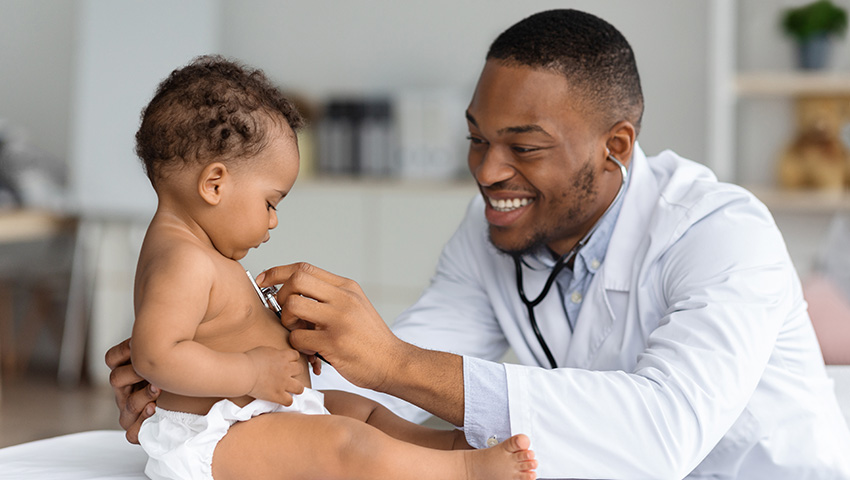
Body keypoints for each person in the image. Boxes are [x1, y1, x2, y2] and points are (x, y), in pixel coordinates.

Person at [108, 10, 850, 479]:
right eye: (477, 139)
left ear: (616, 145)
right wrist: (211, 390)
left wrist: (389, 360)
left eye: (523, 147)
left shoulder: (722, 234)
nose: (488, 173)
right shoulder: (497, 226)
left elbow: (660, 439)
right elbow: (392, 379)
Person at [119, 54, 537, 480]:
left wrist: (286, 336)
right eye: (270, 202)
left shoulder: (202, 252)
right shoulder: (183, 259)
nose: (273, 220)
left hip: (257, 413)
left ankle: (446, 446)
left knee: (361, 413)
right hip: (216, 435)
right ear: (214, 184)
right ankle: (464, 471)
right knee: (344, 444)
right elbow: (155, 355)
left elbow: (220, 332)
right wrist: (253, 370)